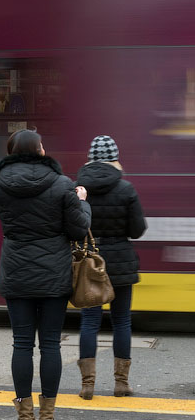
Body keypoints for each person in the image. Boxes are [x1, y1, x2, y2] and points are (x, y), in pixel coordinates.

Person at [0, 129, 90, 420]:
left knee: (22, 344)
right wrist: (82, 202)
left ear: (11, 153)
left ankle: (25, 416)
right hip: (54, 274)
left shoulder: (1, 185)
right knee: (50, 344)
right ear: (40, 151)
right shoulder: (62, 184)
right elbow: (79, 230)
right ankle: (48, 416)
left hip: (16, 272)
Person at [75, 135, 147, 399]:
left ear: (91, 158)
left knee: (90, 321)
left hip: (90, 262)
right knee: (121, 321)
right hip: (121, 262)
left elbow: (73, 226)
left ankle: (87, 385)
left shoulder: (79, 188)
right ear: (115, 158)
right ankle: (121, 383)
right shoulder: (126, 189)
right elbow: (138, 230)